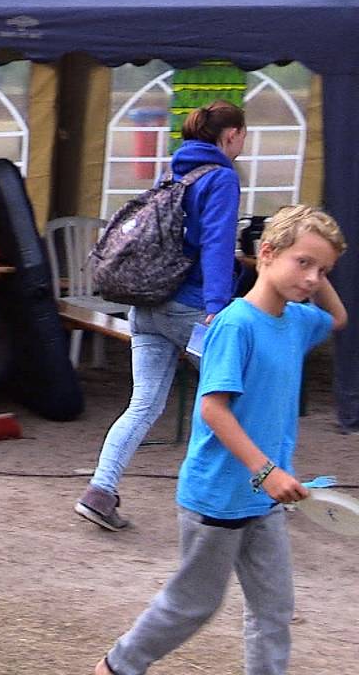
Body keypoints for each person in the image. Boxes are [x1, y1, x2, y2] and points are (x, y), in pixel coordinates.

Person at [94, 204, 347, 675]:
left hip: (262, 502)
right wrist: (267, 471)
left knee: (273, 610)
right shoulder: (235, 325)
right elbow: (213, 408)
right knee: (194, 604)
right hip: (216, 499)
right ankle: (118, 666)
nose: (312, 278)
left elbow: (337, 317)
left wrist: (314, 262)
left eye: (324, 269)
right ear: (266, 253)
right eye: (302, 262)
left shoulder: (296, 320)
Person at [77, 100, 249, 531]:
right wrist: (216, 307)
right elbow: (216, 243)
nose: (243, 144)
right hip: (189, 309)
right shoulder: (222, 179)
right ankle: (257, 490)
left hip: (147, 305)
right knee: (240, 396)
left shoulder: (173, 171)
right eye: (243, 136)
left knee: (142, 406)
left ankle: (100, 491)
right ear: (230, 136)